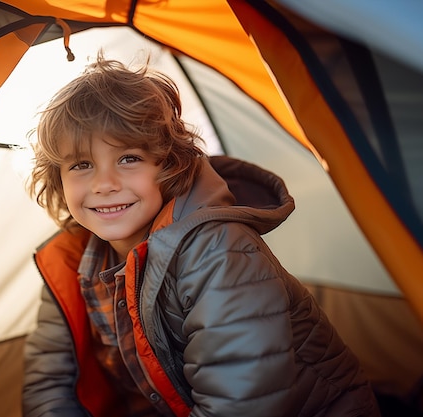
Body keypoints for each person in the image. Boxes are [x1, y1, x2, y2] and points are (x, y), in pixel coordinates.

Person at [22, 54, 380, 417]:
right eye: (81, 165)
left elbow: (242, 402)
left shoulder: (217, 251)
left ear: (169, 165)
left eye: (128, 158)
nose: (104, 184)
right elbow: (48, 383)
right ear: (58, 180)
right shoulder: (72, 261)